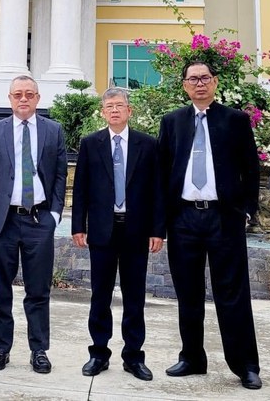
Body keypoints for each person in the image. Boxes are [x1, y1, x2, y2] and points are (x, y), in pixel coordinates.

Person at [158, 61, 262, 390]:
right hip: (184, 219)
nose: (199, 83)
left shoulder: (235, 120)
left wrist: (246, 210)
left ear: (215, 82)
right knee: (188, 293)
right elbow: (162, 171)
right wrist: (162, 221)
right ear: (185, 85)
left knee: (232, 294)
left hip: (224, 218)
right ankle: (192, 357)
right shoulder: (172, 121)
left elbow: (251, 168)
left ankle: (246, 365)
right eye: (193, 79)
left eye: (205, 78)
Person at [71, 87, 165, 381]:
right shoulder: (91, 143)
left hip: (136, 230)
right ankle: (98, 353)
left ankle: (134, 357)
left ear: (129, 111)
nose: (114, 110)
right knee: (100, 295)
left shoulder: (147, 144)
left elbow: (157, 189)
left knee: (134, 296)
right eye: (109, 106)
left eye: (119, 105)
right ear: (103, 112)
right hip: (102, 231)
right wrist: (78, 226)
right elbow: (81, 188)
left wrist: (157, 230)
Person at [0, 75, 67, 374]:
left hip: (39, 220)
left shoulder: (53, 130)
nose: (24, 99)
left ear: (38, 98)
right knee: (1, 289)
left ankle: (39, 350)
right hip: (3, 222)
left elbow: (60, 175)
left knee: (38, 290)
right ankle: (0, 348)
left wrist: (55, 215)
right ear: (10, 99)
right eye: (18, 94)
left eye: (29, 94)